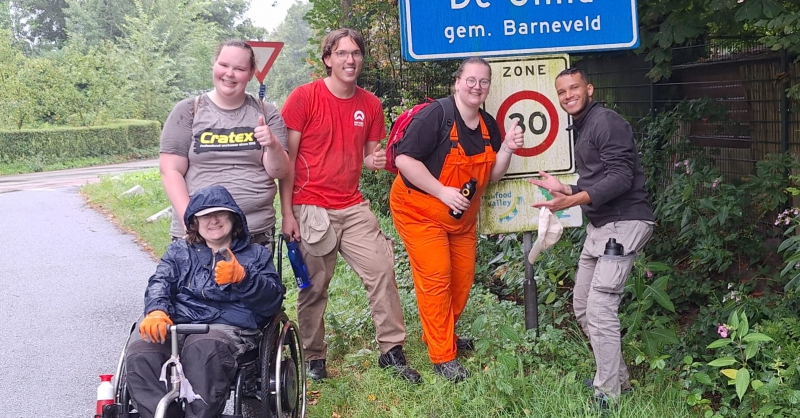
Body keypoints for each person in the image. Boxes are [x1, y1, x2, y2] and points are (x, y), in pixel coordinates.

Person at [278, 28, 420, 384]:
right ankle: (313, 356)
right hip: (311, 206)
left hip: (353, 205)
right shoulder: (304, 98)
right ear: (328, 59)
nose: (350, 60)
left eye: (355, 53)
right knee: (314, 287)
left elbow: (367, 157)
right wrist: (287, 212)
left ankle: (391, 351)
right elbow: (286, 160)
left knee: (382, 270)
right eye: (341, 53)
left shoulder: (371, 105)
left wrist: (381, 159)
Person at [388, 57, 524, 382]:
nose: (477, 87)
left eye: (484, 82)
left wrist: (506, 148)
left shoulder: (489, 125)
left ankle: (440, 333)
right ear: (457, 82)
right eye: (471, 80)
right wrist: (441, 191)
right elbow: (404, 159)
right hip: (419, 210)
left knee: (461, 283)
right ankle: (442, 356)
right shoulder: (437, 115)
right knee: (437, 279)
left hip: (461, 219)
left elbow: (493, 175)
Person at [529, 68, 654, 408]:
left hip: (625, 223)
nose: (568, 95)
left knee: (601, 308)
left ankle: (609, 393)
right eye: (562, 91)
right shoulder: (584, 125)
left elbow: (621, 179)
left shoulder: (606, 122)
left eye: (574, 88)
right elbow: (599, 180)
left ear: (589, 88)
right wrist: (565, 187)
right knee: (584, 305)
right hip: (602, 226)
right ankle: (617, 379)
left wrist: (573, 200)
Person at [125, 184, 285, 418]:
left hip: (226, 327)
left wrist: (244, 278)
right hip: (178, 322)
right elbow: (160, 281)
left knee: (203, 350)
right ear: (195, 223)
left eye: (220, 213)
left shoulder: (256, 254)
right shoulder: (178, 252)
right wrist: (157, 310)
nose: (214, 220)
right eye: (205, 215)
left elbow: (272, 302)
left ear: (233, 217)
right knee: (141, 351)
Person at [160, 39, 290, 249]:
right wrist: (190, 222)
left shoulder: (267, 113)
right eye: (224, 65)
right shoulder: (188, 111)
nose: (229, 73)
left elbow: (279, 172)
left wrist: (273, 144)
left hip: (254, 233)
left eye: (239, 68)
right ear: (214, 65)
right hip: (198, 232)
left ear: (250, 74)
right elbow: (170, 170)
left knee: (254, 284)